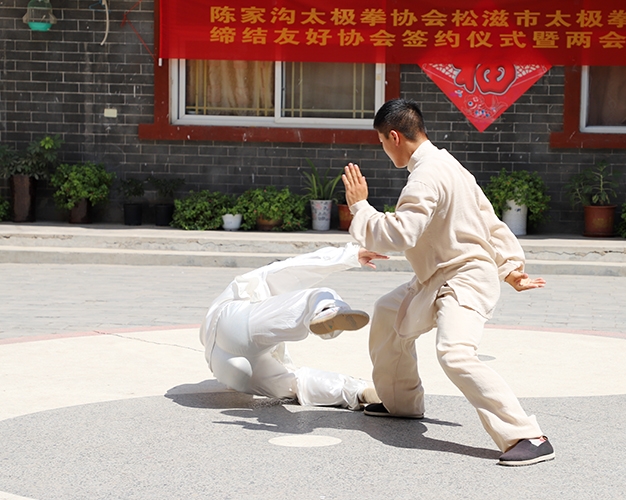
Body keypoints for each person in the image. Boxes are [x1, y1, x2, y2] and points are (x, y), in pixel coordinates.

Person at [341, 98, 554, 466]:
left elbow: (403, 233)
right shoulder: (447, 164)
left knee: (455, 353)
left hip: (465, 277)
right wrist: (511, 266)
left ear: (394, 137)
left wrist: (361, 208)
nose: (382, 149)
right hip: (439, 275)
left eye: (380, 141)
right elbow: (486, 218)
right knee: (388, 313)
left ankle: (527, 436)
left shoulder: (425, 176)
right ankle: (402, 403)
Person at [199, 243, 387, 410]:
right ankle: (326, 310)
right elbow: (299, 266)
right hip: (234, 324)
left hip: (226, 370)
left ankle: (360, 392)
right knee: (314, 297)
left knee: (294, 384)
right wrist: (351, 255)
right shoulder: (261, 278)